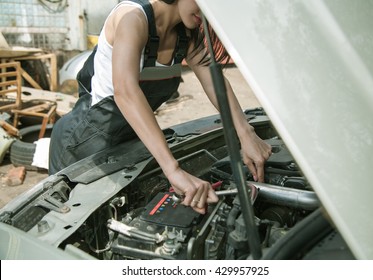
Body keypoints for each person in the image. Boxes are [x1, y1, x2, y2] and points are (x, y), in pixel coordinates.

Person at [49, 0, 272, 214]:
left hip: (126, 145)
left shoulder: (185, 36)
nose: (206, 15)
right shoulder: (132, 18)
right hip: (79, 144)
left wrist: (246, 133)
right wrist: (173, 170)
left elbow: (215, 82)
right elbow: (126, 92)